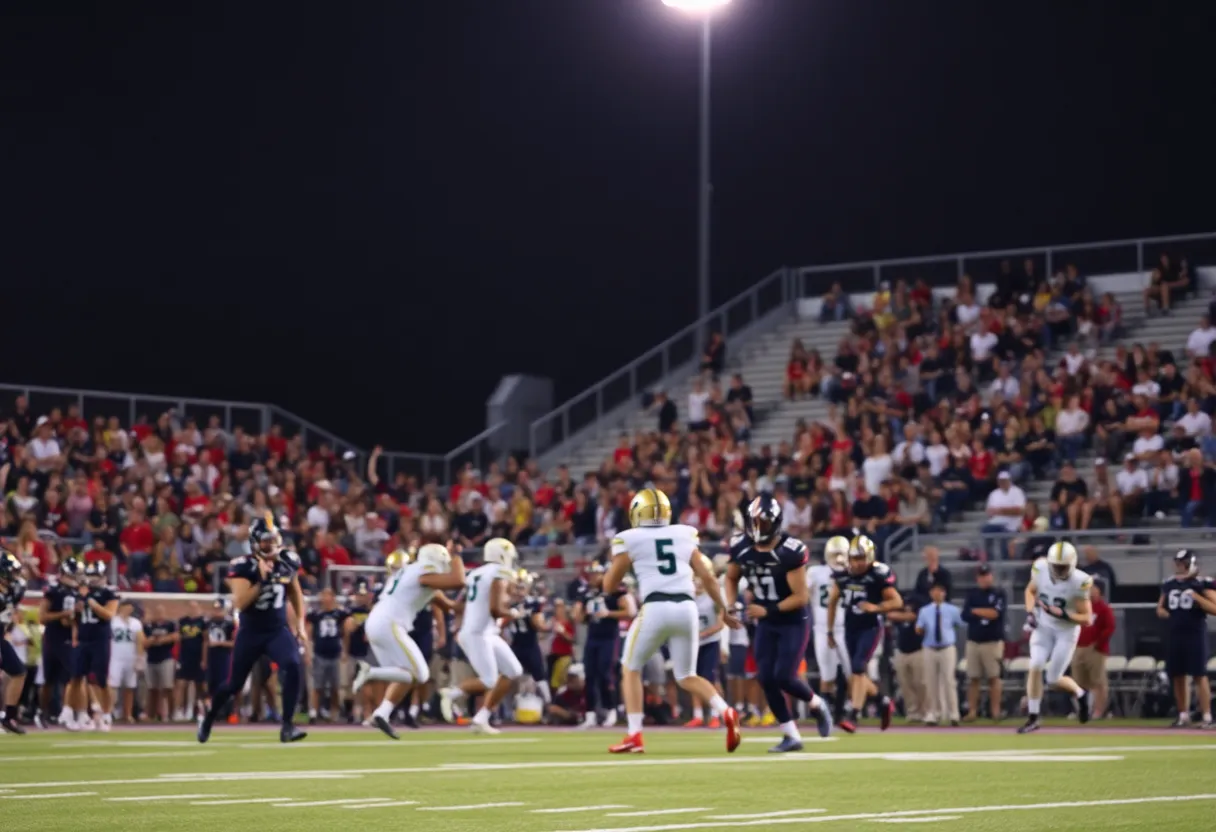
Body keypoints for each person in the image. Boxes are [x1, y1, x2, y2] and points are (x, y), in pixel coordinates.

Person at [607, 487, 741, 754]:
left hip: (656, 606)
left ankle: (634, 734)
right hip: (687, 608)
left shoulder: (629, 538)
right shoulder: (684, 534)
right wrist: (724, 608)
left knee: (630, 668)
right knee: (687, 675)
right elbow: (708, 576)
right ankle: (725, 711)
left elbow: (610, 582)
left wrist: (614, 584)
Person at [198, 515, 308, 744]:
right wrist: (263, 581)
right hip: (251, 632)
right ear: (255, 541)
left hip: (277, 629)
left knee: (293, 665)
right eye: (266, 540)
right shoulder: (242, 565)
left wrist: (299, 623)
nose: (270, 544)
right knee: (234, 684)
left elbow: (295, 592)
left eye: (273, 539)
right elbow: (240, 602)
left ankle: (287, 725)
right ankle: (209, 717)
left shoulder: (287, 559)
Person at [354, 544, 465, 739]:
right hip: (390, 624)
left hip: (378, 622)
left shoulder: (411, 573)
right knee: (420, 674)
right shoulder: (424, 573)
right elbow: (457, 580)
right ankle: (370, 672)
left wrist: (472, 601)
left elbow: (451, 606)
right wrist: (457, 556)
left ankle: (382, 713)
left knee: (404, 673)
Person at [439, 538, 524, 735]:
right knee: (488, 680)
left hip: (483, 631)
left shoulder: (476, 573)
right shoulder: (499, 572)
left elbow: (460, 604)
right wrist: (512, 612)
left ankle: (481, 717)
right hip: (478, 632)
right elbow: (495, 609)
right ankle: (451, 693)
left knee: (513, 670)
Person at [827, 535, 901, 733]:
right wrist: (829, 629)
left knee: (859, 668)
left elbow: (897, 602)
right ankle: (882, 700)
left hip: (871, 627)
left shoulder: (878, 574)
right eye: (855, 558)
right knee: (856, 672)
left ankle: (854, 714)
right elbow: (832, 601)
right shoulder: (842, 574)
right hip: (851, 627)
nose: (858, 563)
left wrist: (875, 607)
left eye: (861, 558)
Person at [1019, 542, 1093, 734]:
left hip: (1066, 631)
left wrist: (1064, 615)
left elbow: (1086, 618)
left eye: (1063, 567)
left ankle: (1080, 693)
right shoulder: (1041, 568)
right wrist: (1030, 612)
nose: (1059, 571)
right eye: (1056, 566)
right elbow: (1030, 591)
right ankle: (1033, 717)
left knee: (1053, 679)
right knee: (1035, 666)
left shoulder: (1079, 581)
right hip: (1043, 627)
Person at [1157, 549, 1216, 728]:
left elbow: (1214, 608)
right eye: (1178, 562)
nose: (1179, 566)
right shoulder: (1169, 583)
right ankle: (1183, 714)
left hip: (1194, 633)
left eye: (1182, 563)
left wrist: (1197, 597)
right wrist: (1167, 614)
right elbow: (1160, 607)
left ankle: (1206, 715)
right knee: (1177, 675)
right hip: (1175, 633)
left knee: (1199, 674)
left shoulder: (1202, 583)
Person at [574, 562, 636, 729]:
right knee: (589, 676)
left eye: (597, 573)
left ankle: (611, 710)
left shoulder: (614, 590)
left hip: (609, 638)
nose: (594, 577)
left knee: (606, 674)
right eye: (591, 574)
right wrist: (583, 613)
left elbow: (630, 612)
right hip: (592, 637)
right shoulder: (586, 592)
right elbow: (577, 617)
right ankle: (590, 714)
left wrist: (608, 613)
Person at [73, 561, 118, 732]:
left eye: (94, 576)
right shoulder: (81, 592)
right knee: (78, 677)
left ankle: (107, 714)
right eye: (89, 576)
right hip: (84, 638)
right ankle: (84, 715)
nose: (91, 580)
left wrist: (92, 603)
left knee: (101, 679)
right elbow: (75, 619)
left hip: (100, 639)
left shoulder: (109, 592)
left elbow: (108, 614)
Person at [38, 558, 82, 730]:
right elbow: (42, 617)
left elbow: (74, 621)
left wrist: (75, 618)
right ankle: (42, 713)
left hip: (69, 639)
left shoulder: (78, 593)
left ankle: (68, 713)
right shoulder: (53, 591)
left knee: (72, 677)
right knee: (49, 680)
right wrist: (64, 614)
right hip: (52, 638)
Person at [961, 564, 1007, 721]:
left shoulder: (999, 593)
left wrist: (976, 611)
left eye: (987, 575)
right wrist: (982, 612)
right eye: (981, 576)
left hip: (992, 641)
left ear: (991, 576)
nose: (984, 579)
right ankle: (972, 711)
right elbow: (965, 615)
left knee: (994, 677)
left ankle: (996, 711)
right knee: (973, 678)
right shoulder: (972, 594)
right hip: (974, 641)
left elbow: (995, 614)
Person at [916, 581, 963, 726]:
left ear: (944, 593)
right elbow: (919, 627)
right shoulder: (924, 611)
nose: (937, 593)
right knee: (930, 682)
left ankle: (953, 714)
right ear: (931, 593)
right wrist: (920, 630)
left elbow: (959, 624)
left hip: (947, 647)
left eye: (940, 591)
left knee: (949, 681)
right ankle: (933, 713)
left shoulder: (953, 610)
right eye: (935, 591)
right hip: (930, 647)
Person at [1074, 579, 1116, 721]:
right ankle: (1083, 710)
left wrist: (1098, 643)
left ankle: (1098, 711)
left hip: (1096, 649)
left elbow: (1109, 627)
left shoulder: (1104, 609)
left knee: (1098, 681)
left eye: (1093, 588)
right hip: (1079, 646)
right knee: (1079, 681)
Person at [306, 588, 347, 724]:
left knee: (335, 686)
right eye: (324, 595)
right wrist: (308, 651)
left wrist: (344, 650)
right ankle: (313, 712)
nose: (326, 598)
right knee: (317, 686)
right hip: (320, 653)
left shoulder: (339, 614)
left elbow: (346, 628)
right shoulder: (316, 615)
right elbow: (309, 633)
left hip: (334, 653)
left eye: (329, 595)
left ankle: (334, 712)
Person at [0, 552, 28, 734]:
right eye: (12, 572)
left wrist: (7, 633)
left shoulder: (14, 590)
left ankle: (9, 717)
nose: (15, 576)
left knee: (18, 671)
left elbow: (9, 614)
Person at [888, 594, 926, 723]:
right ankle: (912, 712)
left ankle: (925, 712)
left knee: (920, 683)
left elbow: (914, 617)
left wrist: (906, 617)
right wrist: (904, 616)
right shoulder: (898, 606)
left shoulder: (921, 607)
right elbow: (890, 615)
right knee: (905, 684)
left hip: (918, 651)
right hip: (902, 651)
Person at [107, 599, 144, 724]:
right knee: (113, 685)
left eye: (131, 607)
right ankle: (109, 712)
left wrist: (139, 657)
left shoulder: (135, 623)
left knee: (130, 686)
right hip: (115, 656)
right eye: (127, 607)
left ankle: (127, 714)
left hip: (130, 656)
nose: (129, 609)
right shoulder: (112, 621)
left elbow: (139, 640)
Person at [202, 599, 235, 719]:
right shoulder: (209, 622)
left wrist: (220, 643)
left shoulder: (230, 623)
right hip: (212, 657)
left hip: (224, 656)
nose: (216, 611)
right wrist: (204, 659)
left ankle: (227, 711)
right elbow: (206, 642)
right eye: (215, 608)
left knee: (224, 683)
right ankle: (213, 711)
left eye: (219, 608)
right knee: (211, 685)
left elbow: (234, 643)